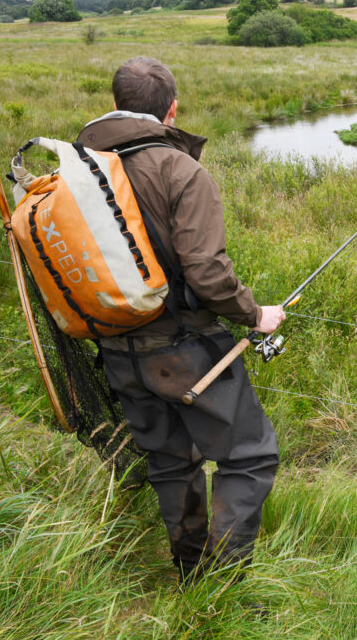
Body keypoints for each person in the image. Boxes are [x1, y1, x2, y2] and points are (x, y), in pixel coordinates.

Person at [76, 56, 285, 584]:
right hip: (185, 348)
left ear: (118, 102)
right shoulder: (180, 170)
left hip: (117, 349)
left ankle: (191, 571)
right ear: (171, 110)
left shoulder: (79, 168)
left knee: (170, 463)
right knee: (251, 457)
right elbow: (209, 276)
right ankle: (224, 582)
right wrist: (256, 314)